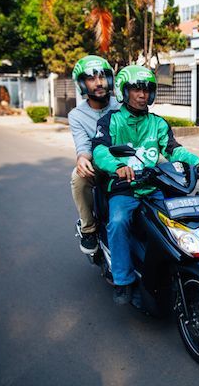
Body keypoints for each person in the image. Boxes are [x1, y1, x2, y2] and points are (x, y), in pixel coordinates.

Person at [92, 65, 199, 305]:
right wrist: (117, 167)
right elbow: (99, 150)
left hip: (153, 186)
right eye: (136, 90)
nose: (142, 95)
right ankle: (123, 280)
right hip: (123, 187)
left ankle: (173, 265)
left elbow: (173, 149)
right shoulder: (111, 121)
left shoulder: (157, 123)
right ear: (124, 92)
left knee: (177, 219)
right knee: (118, 222)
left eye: (147, 90)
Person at [69, 55, 120, 254]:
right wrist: (82, 159)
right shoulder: (77, 115)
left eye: (103, 76)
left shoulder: (123, 105)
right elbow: (83, 147)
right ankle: (88, 228)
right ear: (82, 83)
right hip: (100, 165)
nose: (99, 83)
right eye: (91, 78)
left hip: (131, 162)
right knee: (78, 177)